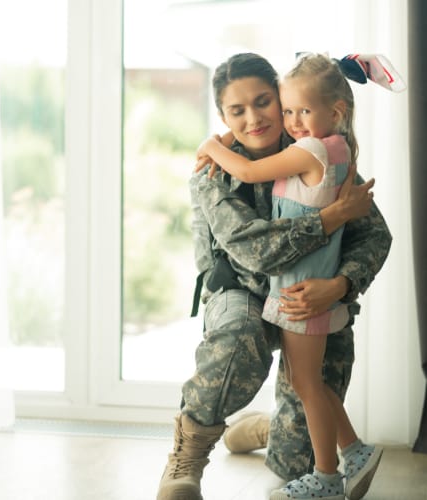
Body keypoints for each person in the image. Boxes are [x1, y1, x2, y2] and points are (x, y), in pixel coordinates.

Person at [156, 52, 392, 500]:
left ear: (281, 99)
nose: (253, 118)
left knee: (295, 461)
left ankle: (272, 429)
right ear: (222, 115)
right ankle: (187, 453)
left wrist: (338, 286)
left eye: (264, 102)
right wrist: (328, 219)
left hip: (312, 296)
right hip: (241, 290)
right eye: (236, 111)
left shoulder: (314, 147)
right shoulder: (213, 172)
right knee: (237, 340)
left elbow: (374, 236)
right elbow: (252, 248)